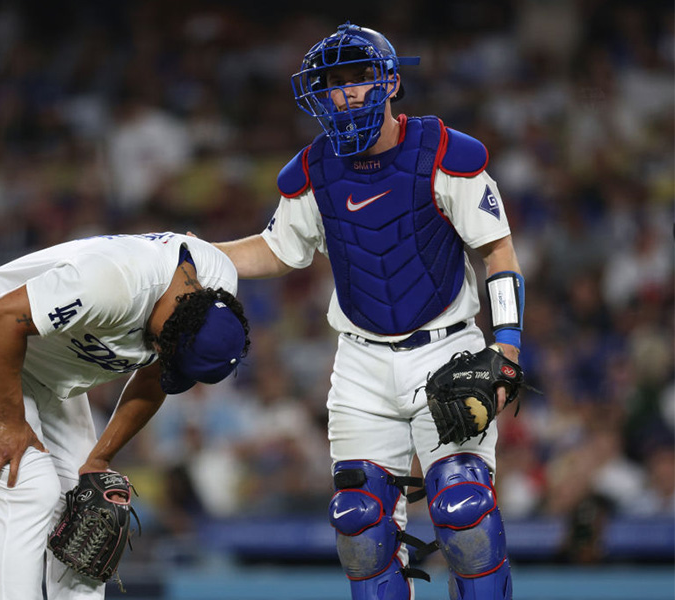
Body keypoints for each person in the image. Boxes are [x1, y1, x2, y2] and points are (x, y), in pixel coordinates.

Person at [213, 23, 525, 599]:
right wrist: (200, 253)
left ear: (390, 82)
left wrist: (505, 350)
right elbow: (278, 249)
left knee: (464, 510)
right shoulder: (311, 169)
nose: (346, 93)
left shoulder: (444, 152)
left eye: (358, 77)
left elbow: (497, 250)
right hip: (360, 366)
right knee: (359, 522)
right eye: (333, 82)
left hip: (447, 351)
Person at [0, 232, 249, 600]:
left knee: (91, 503)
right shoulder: (114, 281)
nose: (163, 362)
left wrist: (100, 458)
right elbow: (3, 315)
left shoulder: (212, 300)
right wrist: (10, 421)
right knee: (32, 492)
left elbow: (153, 380)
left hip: (48, 367)